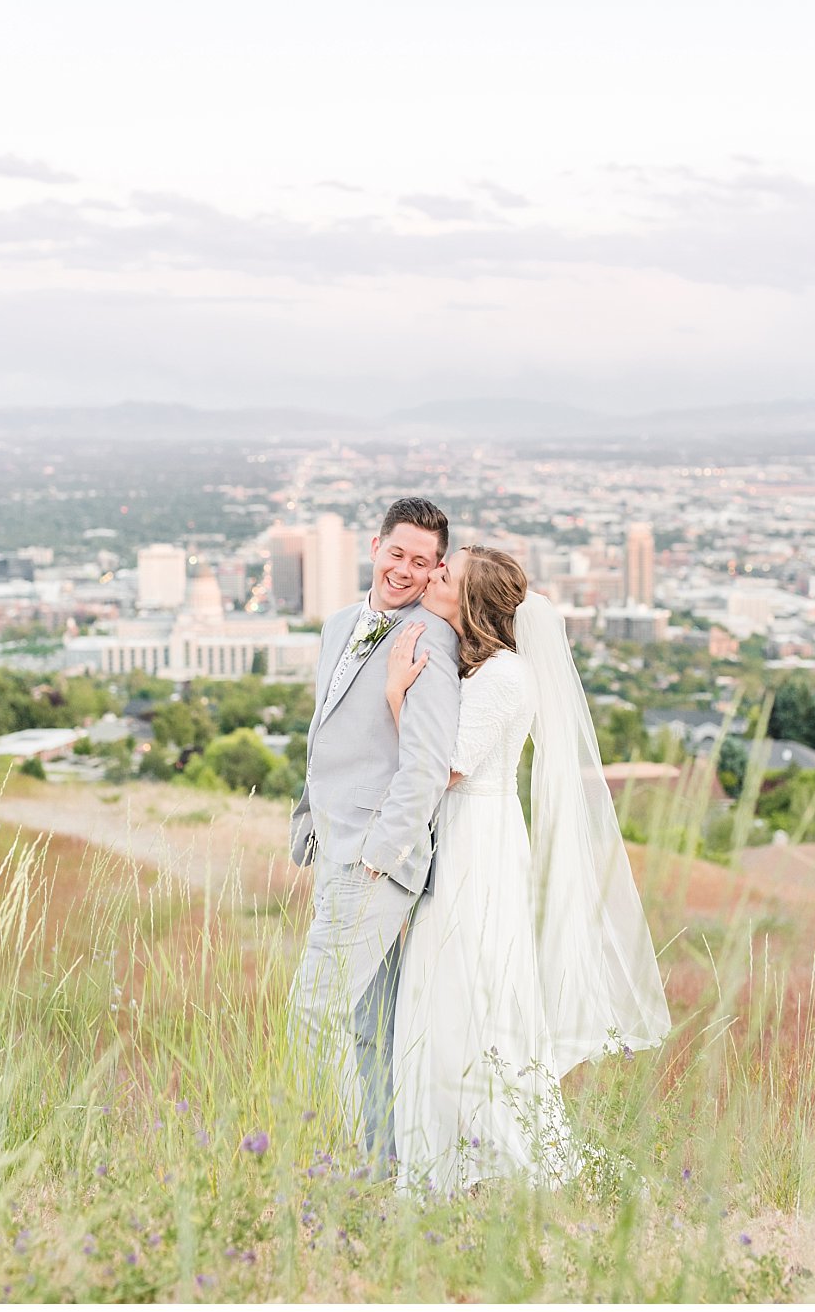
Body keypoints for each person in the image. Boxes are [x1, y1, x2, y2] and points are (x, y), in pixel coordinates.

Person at [383, 547, 671, 1193]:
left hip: (476, 839)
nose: (432, 576)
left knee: (471, 983)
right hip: (463, 831)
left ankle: (489, 1158)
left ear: (472, 603)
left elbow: (448, 764)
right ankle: (447, 1159)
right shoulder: (480, 668)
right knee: (446, 983)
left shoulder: (506, 677)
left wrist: (396, 696)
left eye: (446, 575)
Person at [286, 497, 460, 1170]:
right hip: (334, 841)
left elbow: (424, 768)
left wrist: (378, 860)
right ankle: (381, 1166)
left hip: (376, 860)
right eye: (397, 553)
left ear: (436, 567)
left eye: (422, 562)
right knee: (369, 1027)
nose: (405, 570)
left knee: (314, 1009)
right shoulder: (337, 626)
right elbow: (327, 731)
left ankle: (321, 1160)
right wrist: (308, 818)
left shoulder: (428, 640)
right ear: (374, 546)